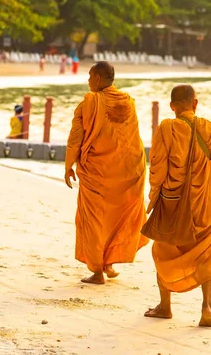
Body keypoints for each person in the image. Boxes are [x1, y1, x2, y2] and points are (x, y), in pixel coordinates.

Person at [144, 85, 211, 327]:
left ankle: (165, 306)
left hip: (173, 201)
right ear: (195, 103)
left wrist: (153, 198)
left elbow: (157, 169)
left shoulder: (166, 128)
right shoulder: (209, 128)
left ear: (172, 106)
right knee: (209, 252)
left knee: (163, 250)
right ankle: (207, 307)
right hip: (207, 202)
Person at [64, 61, 148, 284]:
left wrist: (68, 166)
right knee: (117, 217)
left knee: (94, 219)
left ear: (98, 79)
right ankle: (108, 262)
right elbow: (132, 137)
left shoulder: (90, 102)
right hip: (129, 170)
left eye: (90, 77)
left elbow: (76, 137)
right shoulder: (128, 102)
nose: (89, 81)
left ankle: (98, 271)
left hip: (98, 173)